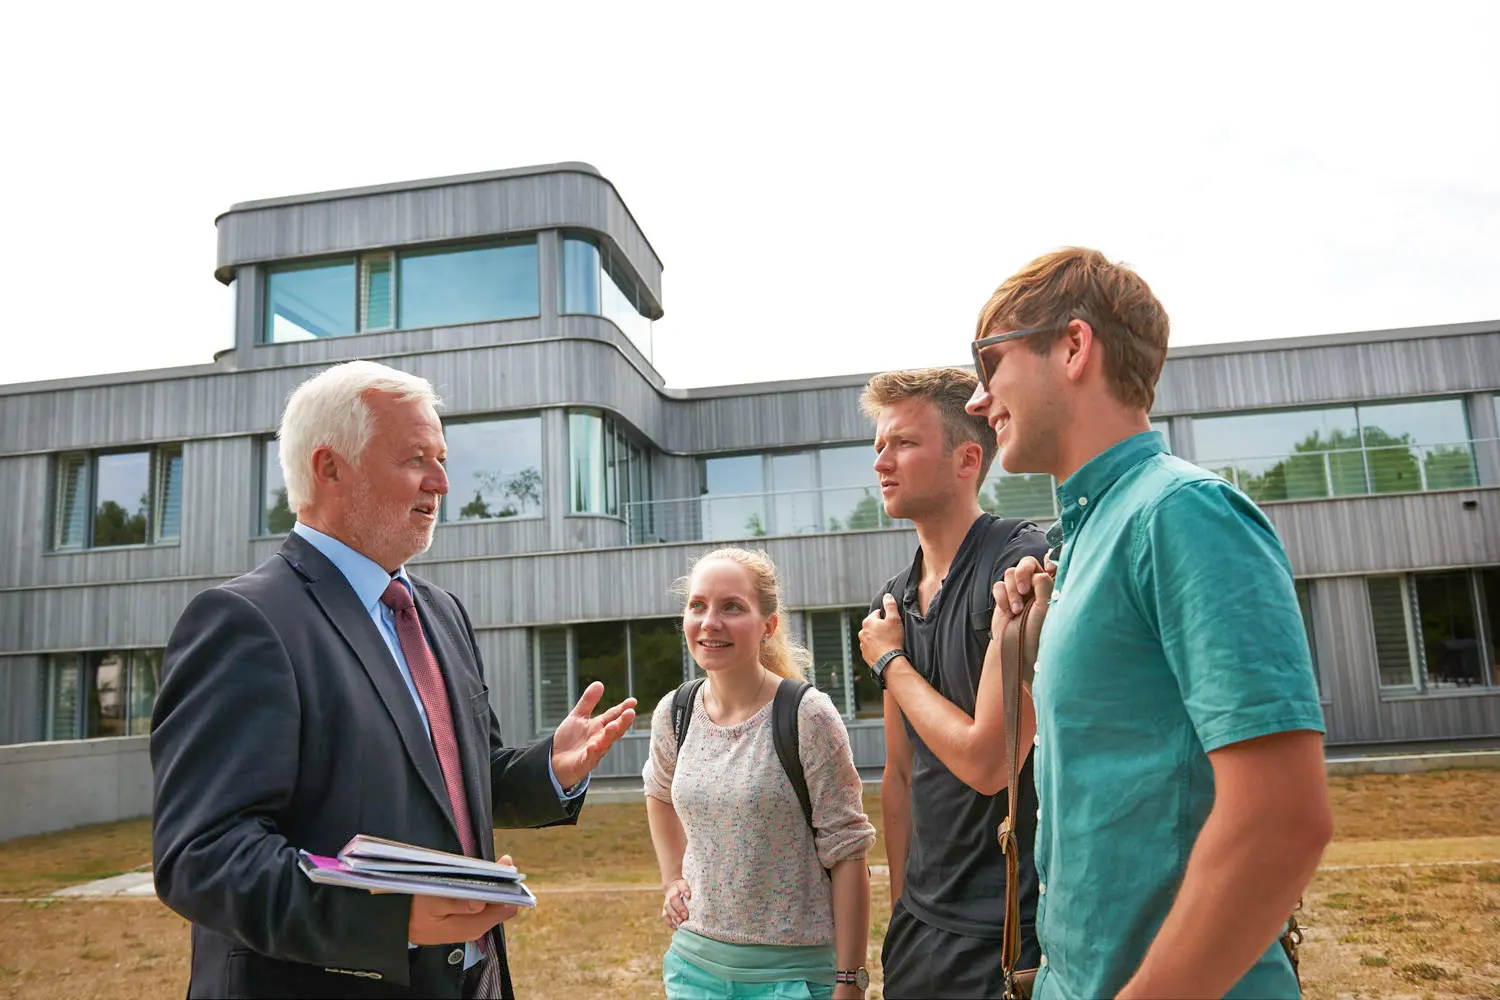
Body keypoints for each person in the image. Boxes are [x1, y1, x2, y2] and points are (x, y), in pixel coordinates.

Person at [150, 360, 637, 1000]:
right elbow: (202, 856)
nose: (440, 480)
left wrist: (551, 769)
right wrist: (391, 918)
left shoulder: (440, 613)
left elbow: (459, 785)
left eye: (441, 458)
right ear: (329, 468)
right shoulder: (244, 621)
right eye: (414, 458)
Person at [968, 248, 1333, 998]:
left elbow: (1282, 818)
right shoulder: (1079, 543)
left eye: (989, 363)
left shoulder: (1181, 515)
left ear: (1072, 347)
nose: (977, 398)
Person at [852, 368, 1050, 998]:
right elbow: (903, 773)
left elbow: (991, 761)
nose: (882, 460)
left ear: (968, 458)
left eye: (903, 443)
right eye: (879, 445)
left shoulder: (1019, 565)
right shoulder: (894, 598)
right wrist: (904, 904)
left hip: (1010, 931)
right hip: (919, 928)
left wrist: (890, 665)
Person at [642, 547, 876, 1000]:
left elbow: (849, 853)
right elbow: (658, 791)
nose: (710, 621)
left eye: (732, 607)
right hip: (694, 969)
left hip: (793, 977)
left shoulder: (808, 715)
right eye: (698, 605)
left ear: (768, 626)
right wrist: (672, 876)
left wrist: (850, 983)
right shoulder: (675, 712)